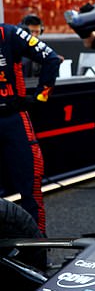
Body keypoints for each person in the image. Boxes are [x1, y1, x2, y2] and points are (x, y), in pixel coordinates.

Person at [0, 23, 61, 234]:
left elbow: (52, 58)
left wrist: (39, 97)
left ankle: (38, 252)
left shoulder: (9, 33)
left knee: (31, 187)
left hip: (14, 119)